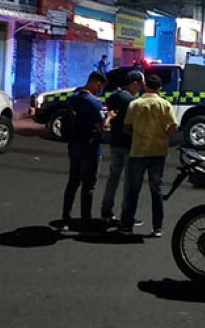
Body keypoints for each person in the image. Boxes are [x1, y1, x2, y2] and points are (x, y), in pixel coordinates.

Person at [120, 73, 179, 237]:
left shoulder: (135, 104)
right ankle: (157, 228)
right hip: (158, 151)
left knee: (133, 190)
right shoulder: (165, 104)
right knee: (157, 190)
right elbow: (174, 127)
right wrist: (165, 132)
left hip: (138, 150)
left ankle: (126, 226)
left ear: (145, 86)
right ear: (160, 88)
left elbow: (126, 127)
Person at [62, 72, 113, 230]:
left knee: (73, 182)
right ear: (96, 83)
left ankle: (66, 216)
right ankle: (85, 219)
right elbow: (102, 126)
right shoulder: (94, 102)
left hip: (74, 145)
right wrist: (110, 117)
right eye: (100, 87)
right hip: (90, 147)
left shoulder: (74, 96)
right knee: (89, 185)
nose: (100, 90)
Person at [100, 71, 145, 224]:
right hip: (128, 143)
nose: (140, 88)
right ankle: (127, 215)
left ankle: (106, 210)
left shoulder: (113, 96)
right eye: (139, 85)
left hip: (115, 141)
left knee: (113, 177)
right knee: (129, 181)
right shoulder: (132, 101)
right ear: (134, 83)